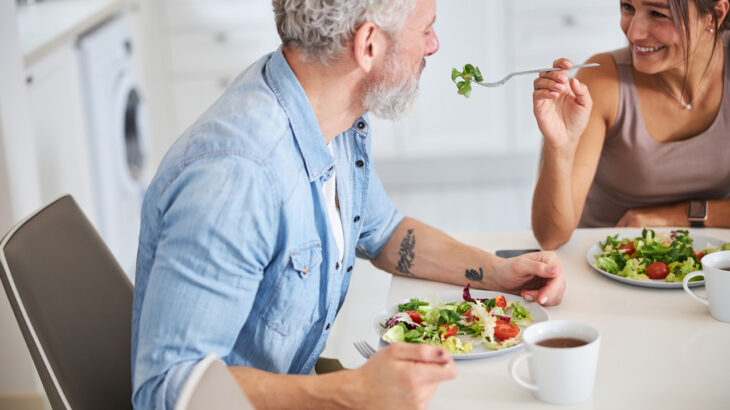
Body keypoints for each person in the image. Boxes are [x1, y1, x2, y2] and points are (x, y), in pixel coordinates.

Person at [131, 1, 567, 408]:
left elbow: (385, 233)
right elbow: (168, 390)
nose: (434, 45)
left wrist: (498, 273)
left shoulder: (329, 113)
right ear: (369, 44)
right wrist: (351, 390)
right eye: (427, 29)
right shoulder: (238, 177)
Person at [532, 0, 730, 250]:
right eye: (628, 7)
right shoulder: (602, 79)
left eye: (658, 14)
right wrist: (560, 146)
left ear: (715, 15)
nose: (633, 32)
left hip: (711, 261)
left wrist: (677, 216)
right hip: (602, 257)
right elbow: (551, 237)